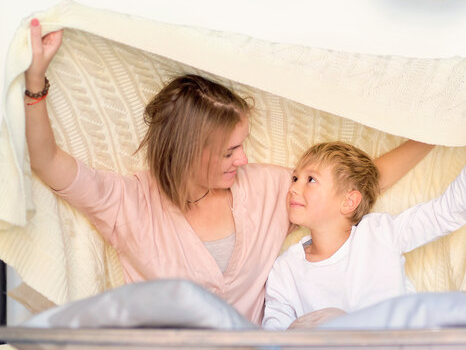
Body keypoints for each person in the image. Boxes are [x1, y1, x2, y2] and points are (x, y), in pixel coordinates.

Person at [24, 18, 433, 325]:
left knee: (327, 323)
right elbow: (46, 162)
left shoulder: (265, 190)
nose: (242, 159)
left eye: (243, 146)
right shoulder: (127, 203)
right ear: (189, 153)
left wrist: (435, 135)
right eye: (229, 152)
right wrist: (36, 79)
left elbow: (355, 183)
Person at [262, 133, 466, 330]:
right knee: (328, 321)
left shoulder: (380, 233)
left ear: (349, 202)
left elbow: (443, 214)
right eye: (295, 178)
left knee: (458, 312)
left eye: (310, 179)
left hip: (395, 341)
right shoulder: (286, 269)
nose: (293, 188)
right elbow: (273, 334)